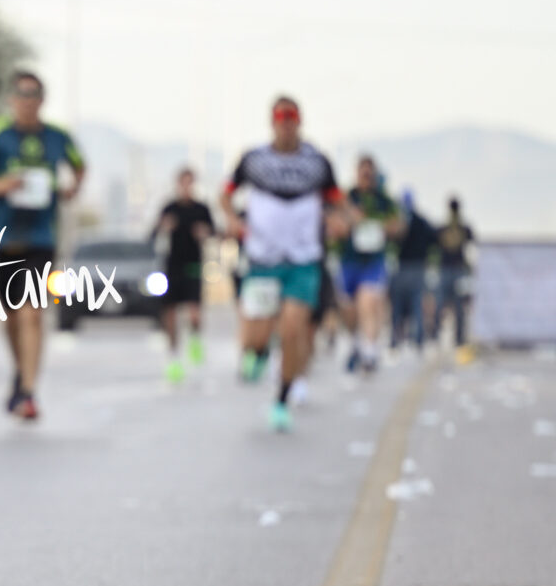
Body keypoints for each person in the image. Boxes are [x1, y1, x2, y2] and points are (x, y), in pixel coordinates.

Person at [0, 71, 86, 420]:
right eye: (21, 94)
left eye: (34, 94)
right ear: (11, 98)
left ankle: (29, 393)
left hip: (41, 237)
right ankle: (21, 373)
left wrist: (70, 189)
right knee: (11, 317)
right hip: (2, 238)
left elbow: (79, 167)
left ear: (42, 100)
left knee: (32, 312)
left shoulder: (58, 136)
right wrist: (2, 186)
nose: (27, 100)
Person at [221, 97, 344, 432]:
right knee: (254, 336)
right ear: (273, 124)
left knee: (293, 328)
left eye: (292, 122)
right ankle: (259, 353)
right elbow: (226, 193)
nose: (287, 128)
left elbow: (336, 201)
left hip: (303, 260)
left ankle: (282, 399)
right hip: (263, 259)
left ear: (299, 123)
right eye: (281, 122)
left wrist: (339, 220)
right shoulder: (253, 160)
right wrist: (232, 219)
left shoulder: (317, 162)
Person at [150, 167, 216, 385]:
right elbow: (151, 235)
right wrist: (164, 227)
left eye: (190, 183)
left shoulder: (201, 209)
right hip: (173, 266)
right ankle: (173, 356)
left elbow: (214, 232)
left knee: (194, 313)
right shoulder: (170, 208)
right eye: (183, 183)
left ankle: (195, 338)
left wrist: (204, 233)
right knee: (170, 313)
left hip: (193, 265)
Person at [336, 155, 400, 373]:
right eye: (362, 172)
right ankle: (355, 341)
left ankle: (370, 351)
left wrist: (382, 226)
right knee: (349, 308)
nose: (366, 177)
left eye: (369, 173)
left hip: (373, 261)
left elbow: (399, 225)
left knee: (368, 300)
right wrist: (347, 223)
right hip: (349, 260)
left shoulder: (384, 201)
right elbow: (334, 222)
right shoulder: (347, 198)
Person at [389, 189, 439, 352]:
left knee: (398, 306)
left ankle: (395, 340)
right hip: (417, 267)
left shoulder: (399, 220)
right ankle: (418, 341)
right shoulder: (422, 221)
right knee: (416, 305)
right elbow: (435, 239)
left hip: (403, 267)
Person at [434, 196, 476, 347]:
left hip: (458, 270)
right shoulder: (443, 228)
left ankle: (459, 338)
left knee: (458, 306)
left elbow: (472, 244)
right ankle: (437, 335)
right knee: (441, 304)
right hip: (447, 269)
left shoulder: (464, 228)